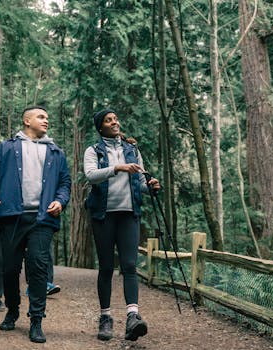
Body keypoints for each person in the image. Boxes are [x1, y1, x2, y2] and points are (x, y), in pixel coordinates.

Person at [0, 106, 71, 343]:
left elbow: (65, 183)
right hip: (11, 216)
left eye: (47, 118)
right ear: (26, 120)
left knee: (38, 266)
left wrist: (60, 201)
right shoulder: (7, 147)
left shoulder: (55, 152)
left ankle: (37, 320)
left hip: (42, 219)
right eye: (41, 117)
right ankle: (13, 309)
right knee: (9, 269)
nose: (46, 121)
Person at [83, 109, 160, 342]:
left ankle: (132, 317)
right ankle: (105, 317)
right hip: (103, 215)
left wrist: (152, 186)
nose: (114, 122)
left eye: (115, 119)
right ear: (101, 127)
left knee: (129, 265)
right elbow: (91, 175)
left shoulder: (132, 149)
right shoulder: (93, 150)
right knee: (106, 267)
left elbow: (140, 182)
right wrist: (118, 168)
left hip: (129, 214)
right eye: (108, 120)